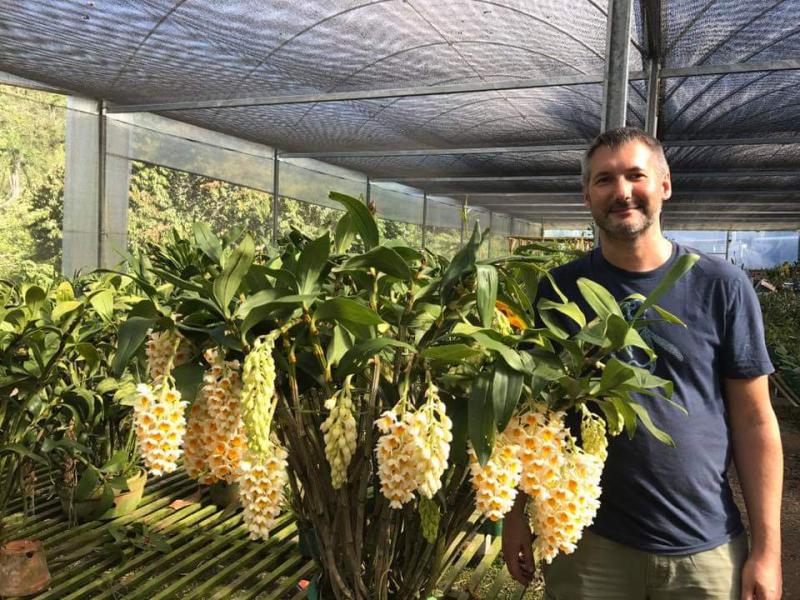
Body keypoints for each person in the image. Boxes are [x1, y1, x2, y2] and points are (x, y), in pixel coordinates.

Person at [502, 127, 783, 600]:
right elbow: (532, 412)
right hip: (587, 541)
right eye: (604, 179)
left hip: (705, 547)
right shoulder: (559, 290)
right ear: (586, 195)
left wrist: (768, 551)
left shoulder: (721, 285)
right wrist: (514, 517)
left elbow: (755, 421)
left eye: (636, 175)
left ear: (664, 185)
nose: (622, 191)